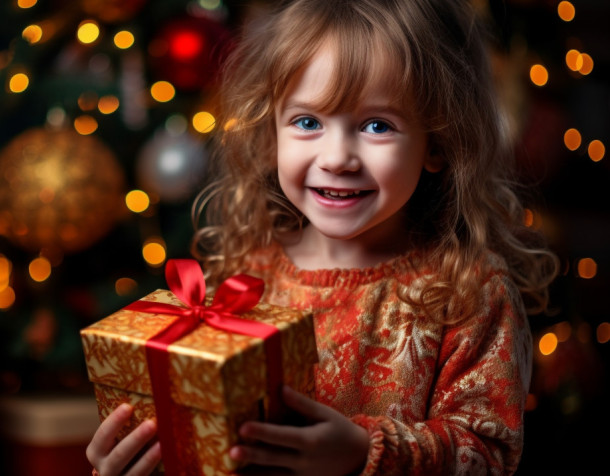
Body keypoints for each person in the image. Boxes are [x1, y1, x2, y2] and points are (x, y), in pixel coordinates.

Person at [86, 0, 558, 474]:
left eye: (378, 125)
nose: (337, 158)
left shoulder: (468, 294)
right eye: (308, 122)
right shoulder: (242, 277)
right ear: (271, 133)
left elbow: (489, 454)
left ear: (437, 142)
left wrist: (362, 451)